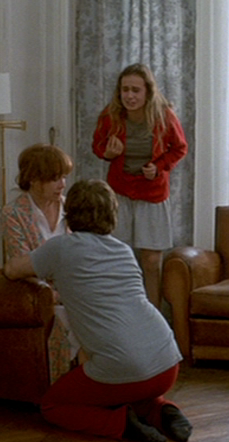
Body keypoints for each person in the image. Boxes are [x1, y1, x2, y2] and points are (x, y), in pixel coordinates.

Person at [3, 179, 193, 442]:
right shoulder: (123, 250)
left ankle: (121, 424)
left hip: (127, 368)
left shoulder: (60, 247)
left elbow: (13, 270)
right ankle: (161, 410)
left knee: (53, 405)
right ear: (112, 215)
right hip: (167, 363)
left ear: (71, 212)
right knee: (128, 382)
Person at [92, 63, 188, 309]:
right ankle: (120, 312)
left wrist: (159, 166)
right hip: (120, 192)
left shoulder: (164, 115)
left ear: (148, 92)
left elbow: (179, 148)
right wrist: (108, 153)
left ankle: (153, 314)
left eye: (136, 90)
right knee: (118, 257)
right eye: (125, 90)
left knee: (151, 260)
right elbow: (98, 146)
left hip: (152, 193)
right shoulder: (110, 115)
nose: (130, 96)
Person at [1, 143, 79, 383]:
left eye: (64, 177)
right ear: (34, 179)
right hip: (42, 294)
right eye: (55, 179)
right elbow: (20, 264)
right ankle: (63, 389)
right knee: (72, 320)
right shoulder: (14, 213)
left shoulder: (72, 209)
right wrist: (57, 294)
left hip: (76, 289)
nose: (62, 184)